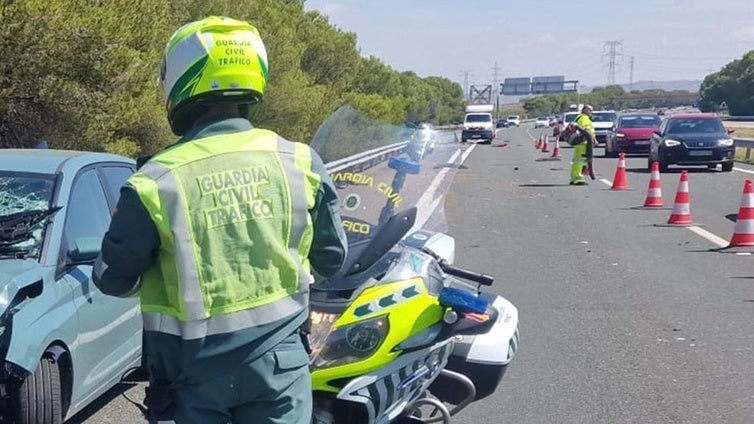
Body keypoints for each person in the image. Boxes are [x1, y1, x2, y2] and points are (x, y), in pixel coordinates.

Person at [93, 16, 348, 424]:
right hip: (279, 370)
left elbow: (112, 279)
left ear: (179, 80)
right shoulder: (300, 161)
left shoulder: (155, 180)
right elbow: (332, 259)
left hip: (191, 375)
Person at [569, 104, 597, 185]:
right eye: (590, 110)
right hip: (584, 143)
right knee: (580, 161)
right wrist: (594, 139)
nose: (591, 112)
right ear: (585, 110)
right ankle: (578, 179)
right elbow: (586, 130)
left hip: (580, 143)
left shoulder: (579, 117)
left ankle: (573, 178)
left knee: (577, 161)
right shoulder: (584, 118)